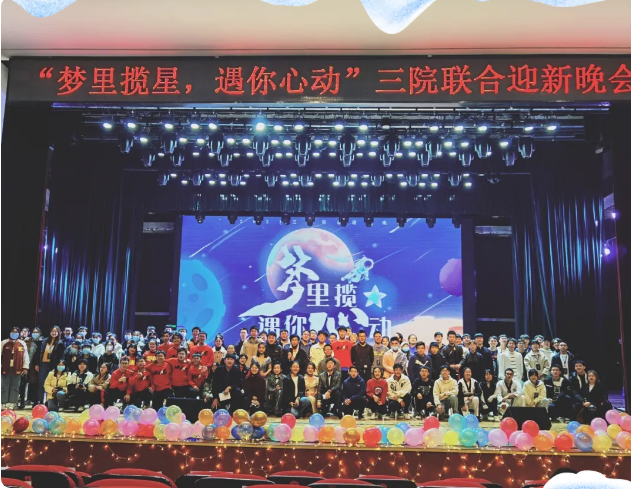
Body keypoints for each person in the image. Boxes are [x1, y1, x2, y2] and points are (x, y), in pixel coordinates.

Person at [1, 327, 30, 410]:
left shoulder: (22, 343)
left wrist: (25, 368)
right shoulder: (4, 343)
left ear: (19, 333)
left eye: (16, 332)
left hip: (17, 368)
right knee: (4, 385)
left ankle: (12, 403)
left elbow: (25, 357)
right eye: (13, 332)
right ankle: (3, 402)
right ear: (10, 333)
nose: (14, 333)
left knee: (15, 386)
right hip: (5, 368)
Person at [36, 325, 65, 404]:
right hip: (43, 364)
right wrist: (37, 364)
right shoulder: (44, 341)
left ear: (58, 333)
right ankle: (40, 401)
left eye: (55, 331)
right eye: (52, 331)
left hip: (53, 365)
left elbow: (61, 356)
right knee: (41, 383)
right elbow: (38, 353)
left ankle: (49, 401)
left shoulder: (60, 343)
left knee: (51, 383)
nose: (54, 333)